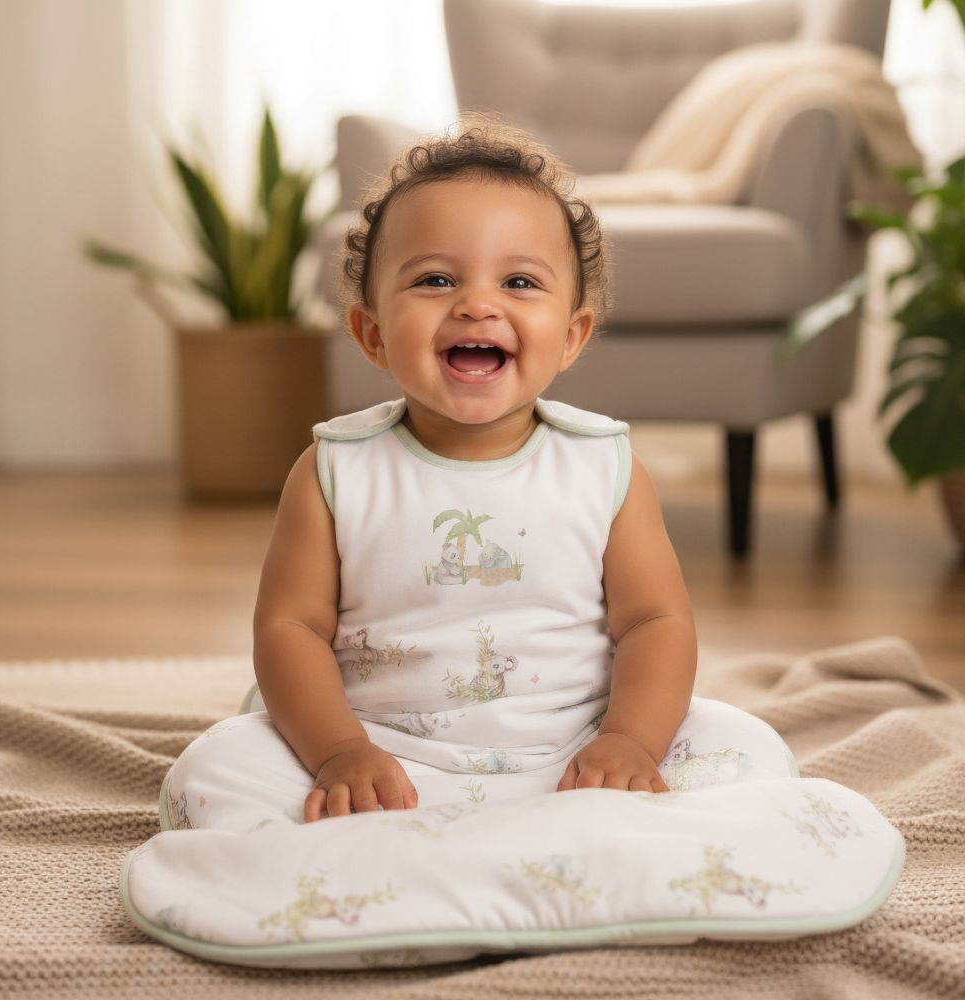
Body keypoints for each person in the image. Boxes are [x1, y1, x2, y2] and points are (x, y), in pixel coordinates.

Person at [252, 117, 697, 824]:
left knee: (738, 748)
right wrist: (339, 750)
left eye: (520, 281)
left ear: (572, 335)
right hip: (380, 748)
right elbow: (290, 630)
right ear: (371, 333)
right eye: (435, 279)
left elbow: (655, 621)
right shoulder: (334, 471)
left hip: (573, 745)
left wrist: (629, 740)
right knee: (223, 769)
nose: (477, 304)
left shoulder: (601, 465)